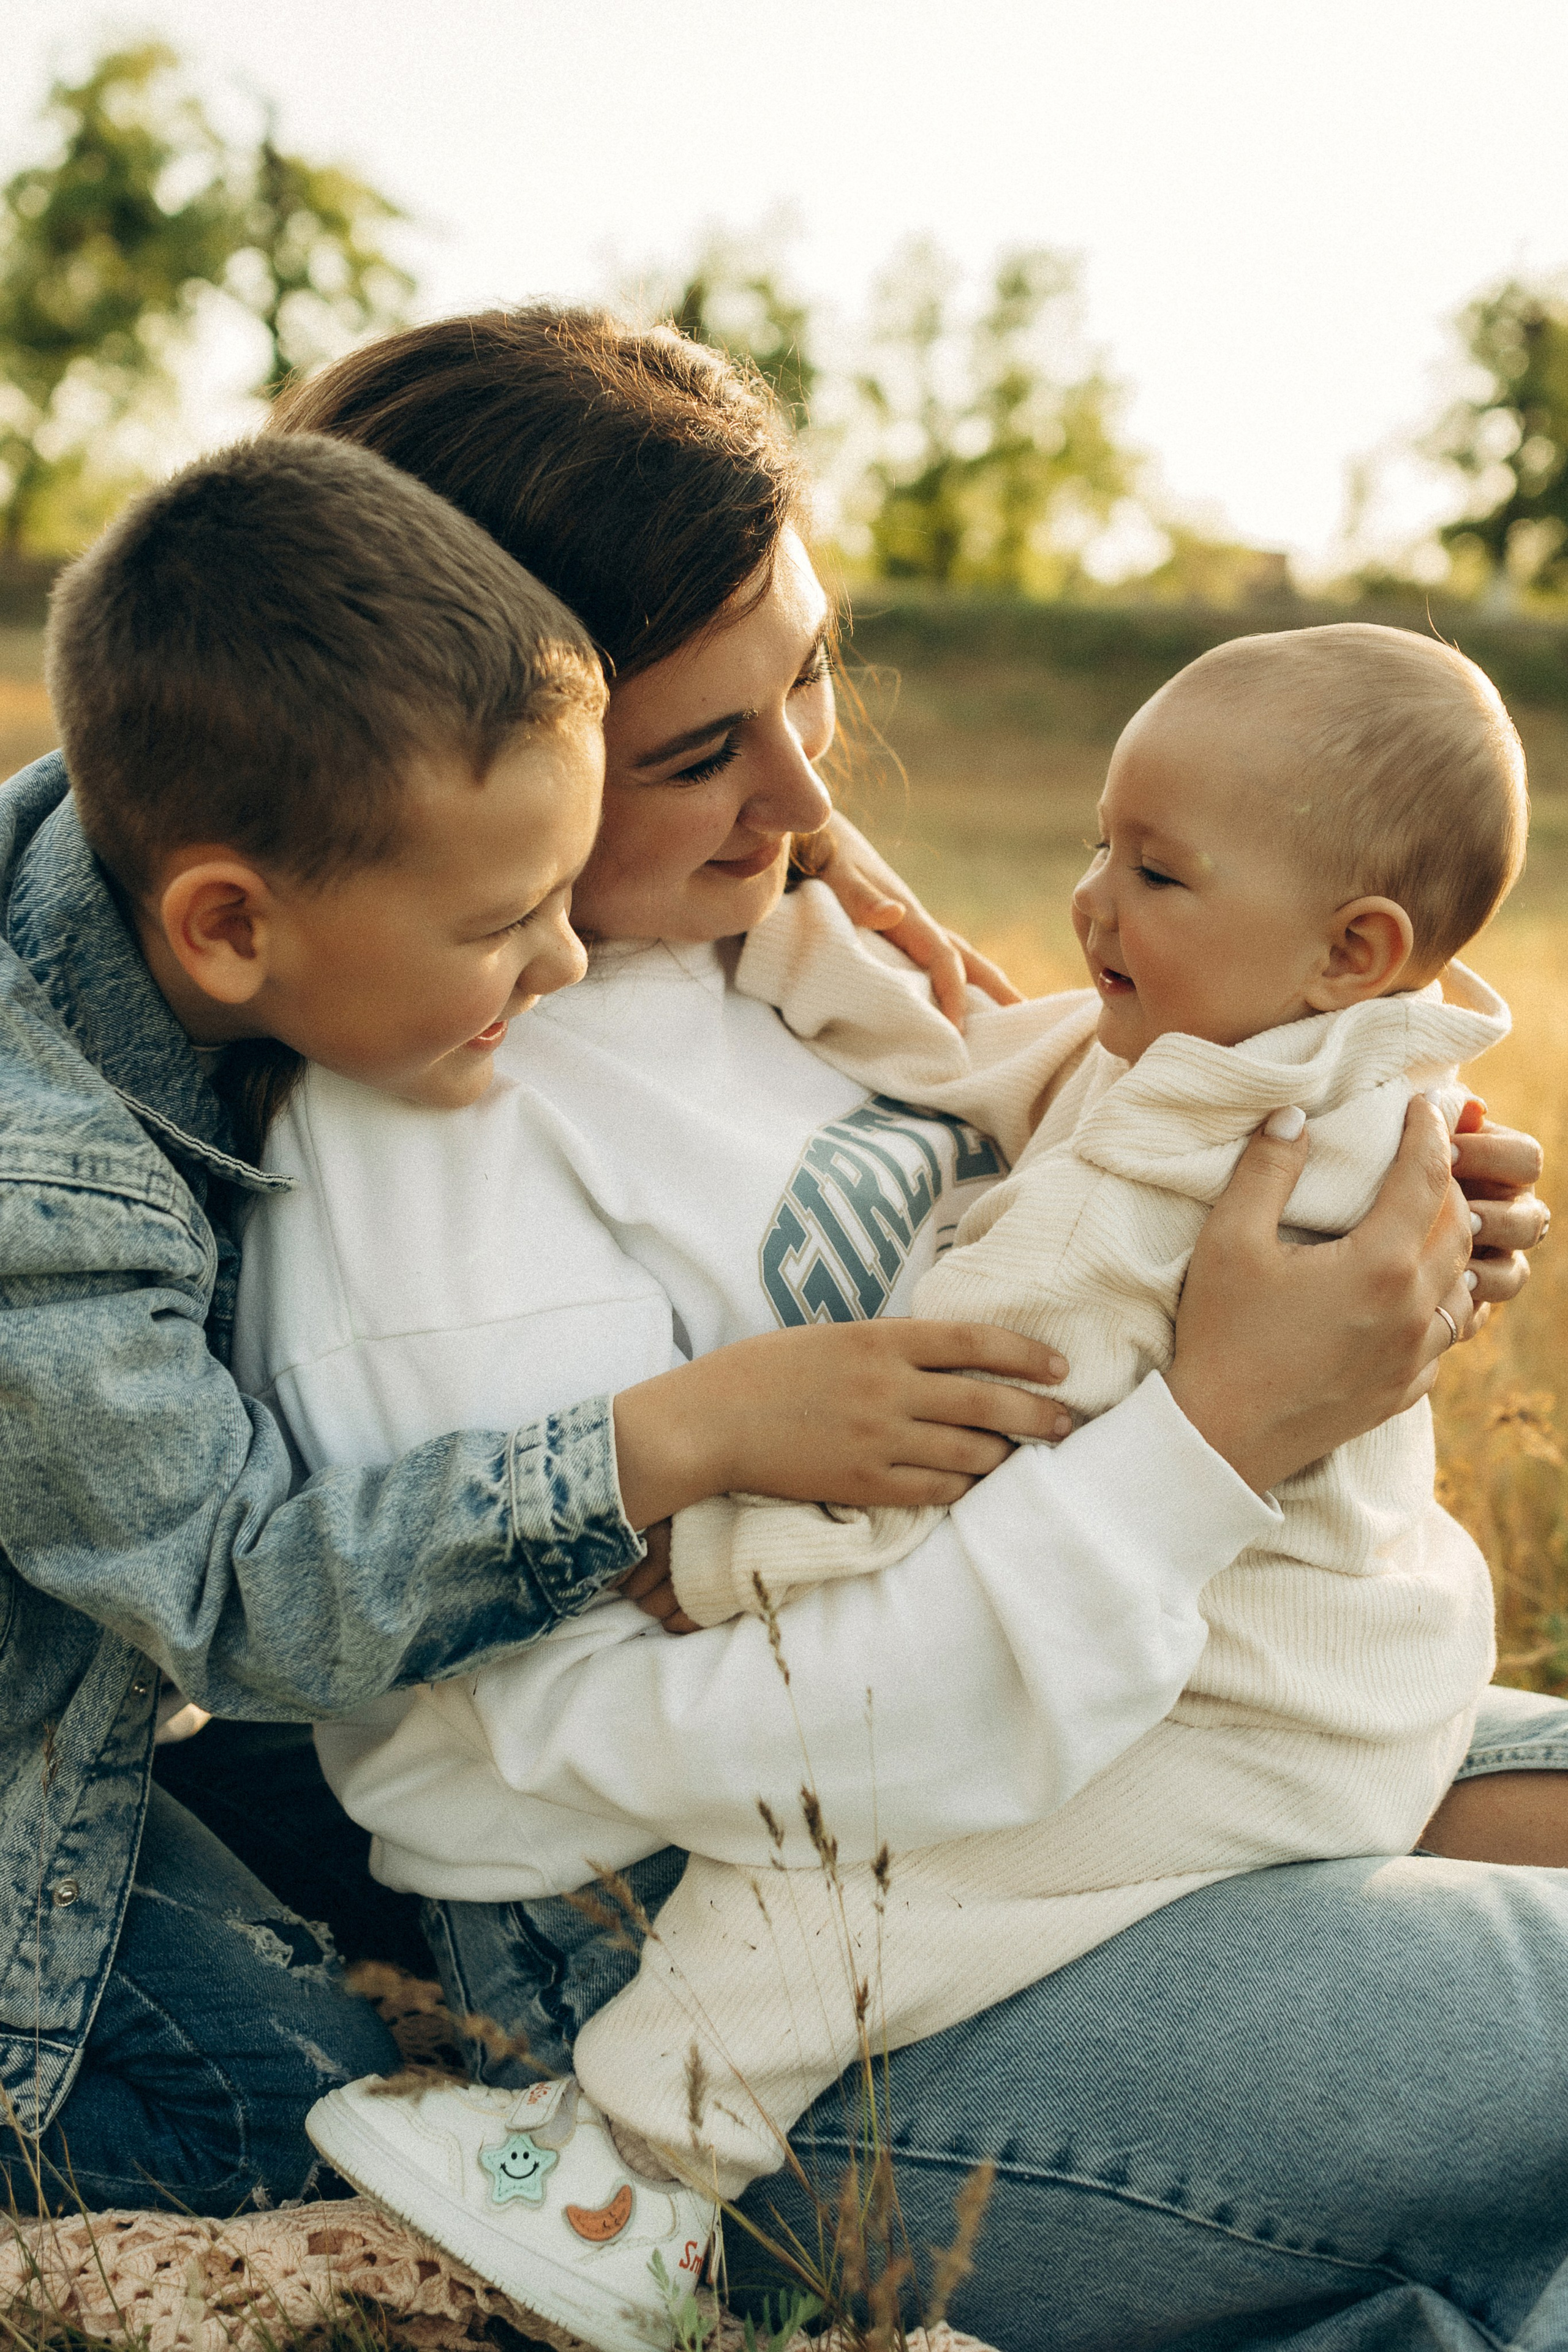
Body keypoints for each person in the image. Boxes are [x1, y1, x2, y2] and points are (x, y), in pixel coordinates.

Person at [226, 311, 1564, 2351]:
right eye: (704, 751)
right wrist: (1211, 1439)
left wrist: (1335, 1178)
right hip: (753, 1979)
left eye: (813, 678)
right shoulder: (431, 1139)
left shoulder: (748, 939)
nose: (804, 785)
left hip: (1097, 1720)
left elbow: (1049, 1192)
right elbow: (558, 1760)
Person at [0, 430, 1058, 2216]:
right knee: (290, 2121)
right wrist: (679, 1437)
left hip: (102, 1660)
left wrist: (813, 849)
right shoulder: (47, 1202)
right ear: (231, 930)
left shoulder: (201, 798)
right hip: (90, 1696)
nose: (567, 964)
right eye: (512, 923)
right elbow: (233, 1602)